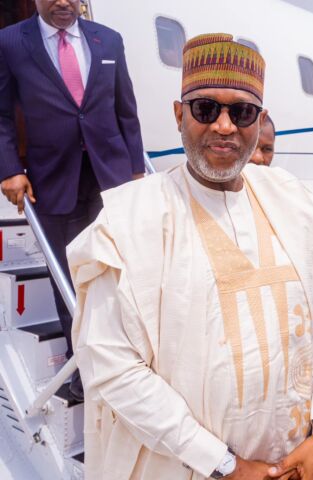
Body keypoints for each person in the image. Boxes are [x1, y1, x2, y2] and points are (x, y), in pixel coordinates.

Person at [68, 33, 313, 479]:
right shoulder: (127, 221)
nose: (224, 126)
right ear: (179, 114)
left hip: (298, 467)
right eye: (205, 109)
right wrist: (226, 465)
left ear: (260, 119)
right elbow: (113, 367)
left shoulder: (295, 202)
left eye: (242, 111)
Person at [0, 0, 144, 400]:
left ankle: (129, 360)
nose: (64, 2)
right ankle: (82, 368)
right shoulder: (11, 42)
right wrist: (9, 169)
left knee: (120, 270)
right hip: (52, 176)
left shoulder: (108, 41)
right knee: (68, 273)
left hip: (110, 174)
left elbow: (125, 111)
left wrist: (136, 171)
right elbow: (1, 116)